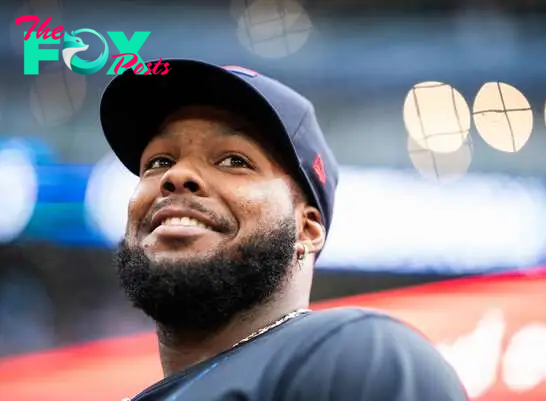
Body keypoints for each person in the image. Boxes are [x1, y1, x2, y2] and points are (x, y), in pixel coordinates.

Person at [100, 60, 468, 401]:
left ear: (306, 230)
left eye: (234, 160)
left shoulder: (355, 355)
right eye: (160, 161)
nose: (176, 176)